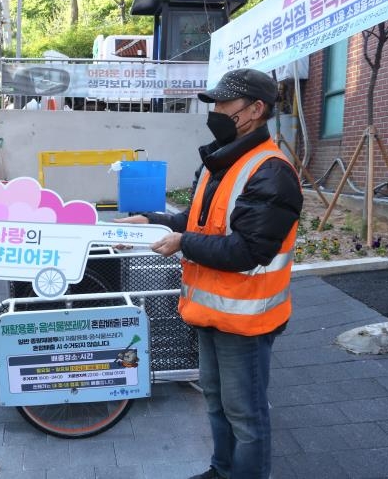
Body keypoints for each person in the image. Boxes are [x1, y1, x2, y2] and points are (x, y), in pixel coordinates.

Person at [117, 68, 303, 479]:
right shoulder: (223, 160)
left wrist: (182, 243)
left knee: (246, 416)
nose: (215, 111)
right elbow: (196, 221)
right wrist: (154, 221)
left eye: (223, 104)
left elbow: (247, 250)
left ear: (255, 110)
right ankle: (221, 470)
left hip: (247, 321)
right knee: (217, 404)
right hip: (209, 312)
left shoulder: (271, 171)